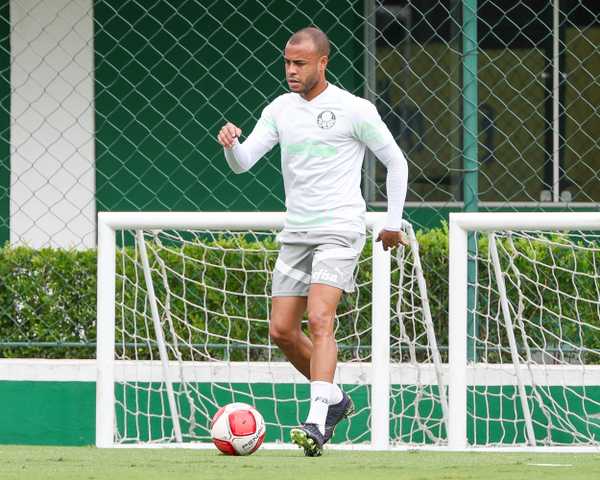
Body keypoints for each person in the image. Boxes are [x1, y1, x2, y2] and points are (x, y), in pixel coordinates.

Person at [217, 26, 408, 457]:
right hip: (297, 233)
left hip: (340, 229)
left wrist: (392, 221)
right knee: (282, 330)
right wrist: (232, 144)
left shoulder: (354, 108)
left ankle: (316, 422)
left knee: (321, 320)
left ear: (323, 62)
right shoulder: (281, 109)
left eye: (299, 63)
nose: (291, 70)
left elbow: (395, 162)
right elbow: (243, 163)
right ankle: (335, 399)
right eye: (287, 62)